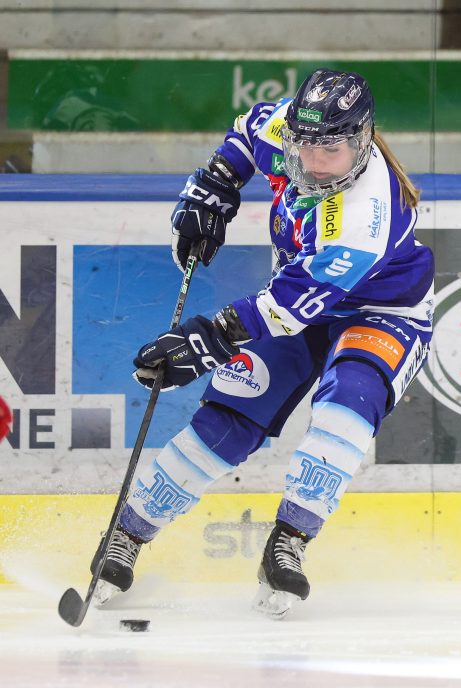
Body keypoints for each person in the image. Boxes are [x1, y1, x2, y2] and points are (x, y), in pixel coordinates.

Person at [92, 69, 434, 617]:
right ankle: (126, 535)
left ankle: (289, 541)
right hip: (295, 301)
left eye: (332, 150)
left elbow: (285, 307)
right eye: (306, 144)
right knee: (231, 413)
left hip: (381, 312)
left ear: (362, 141)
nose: (314, 161)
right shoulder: (290, 131)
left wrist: (205, 341)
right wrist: (217, 185)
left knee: (348, 403)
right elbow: (248, 132)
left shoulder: (367, 217)